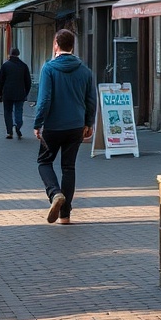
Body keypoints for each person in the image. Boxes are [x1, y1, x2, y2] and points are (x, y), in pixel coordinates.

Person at [34, 29, 96, 225]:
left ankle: (55, 194)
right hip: (76, 126)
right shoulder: (85, 71)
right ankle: (65, 216)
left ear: (55, 45)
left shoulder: (49, 69)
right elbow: (91, 100)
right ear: (73, 46)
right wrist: (89, 122)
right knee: (68, 167)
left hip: (53, 126)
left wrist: (38, 123)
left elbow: (44, 99)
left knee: (44, 162)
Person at [0, 48, 31, 139]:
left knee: (7, 112)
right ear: (18, 54)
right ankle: (18, 125)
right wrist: (26, 92)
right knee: (19, 111)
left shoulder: (5, 66)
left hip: (7, 93)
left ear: (10, 54)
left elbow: (0, 81)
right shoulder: (24, 66)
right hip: (20, 93)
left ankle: (9, 132)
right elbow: (28, 81)